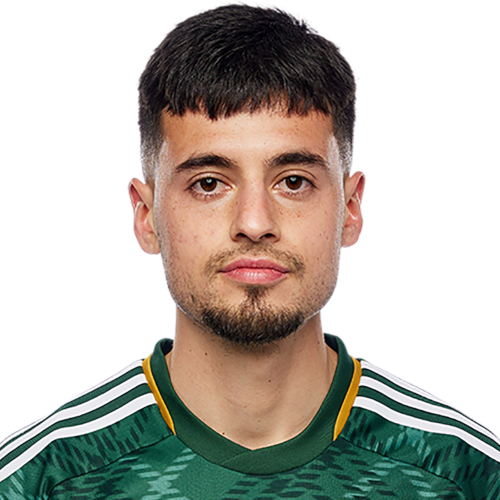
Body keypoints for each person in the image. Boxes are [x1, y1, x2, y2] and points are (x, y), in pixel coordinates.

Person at [1, 2, 499, 498]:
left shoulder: (466, 473)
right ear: (146, 216)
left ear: (350, 208)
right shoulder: (39, 480)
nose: (255, 224)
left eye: (294, 181)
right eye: (209, 183)